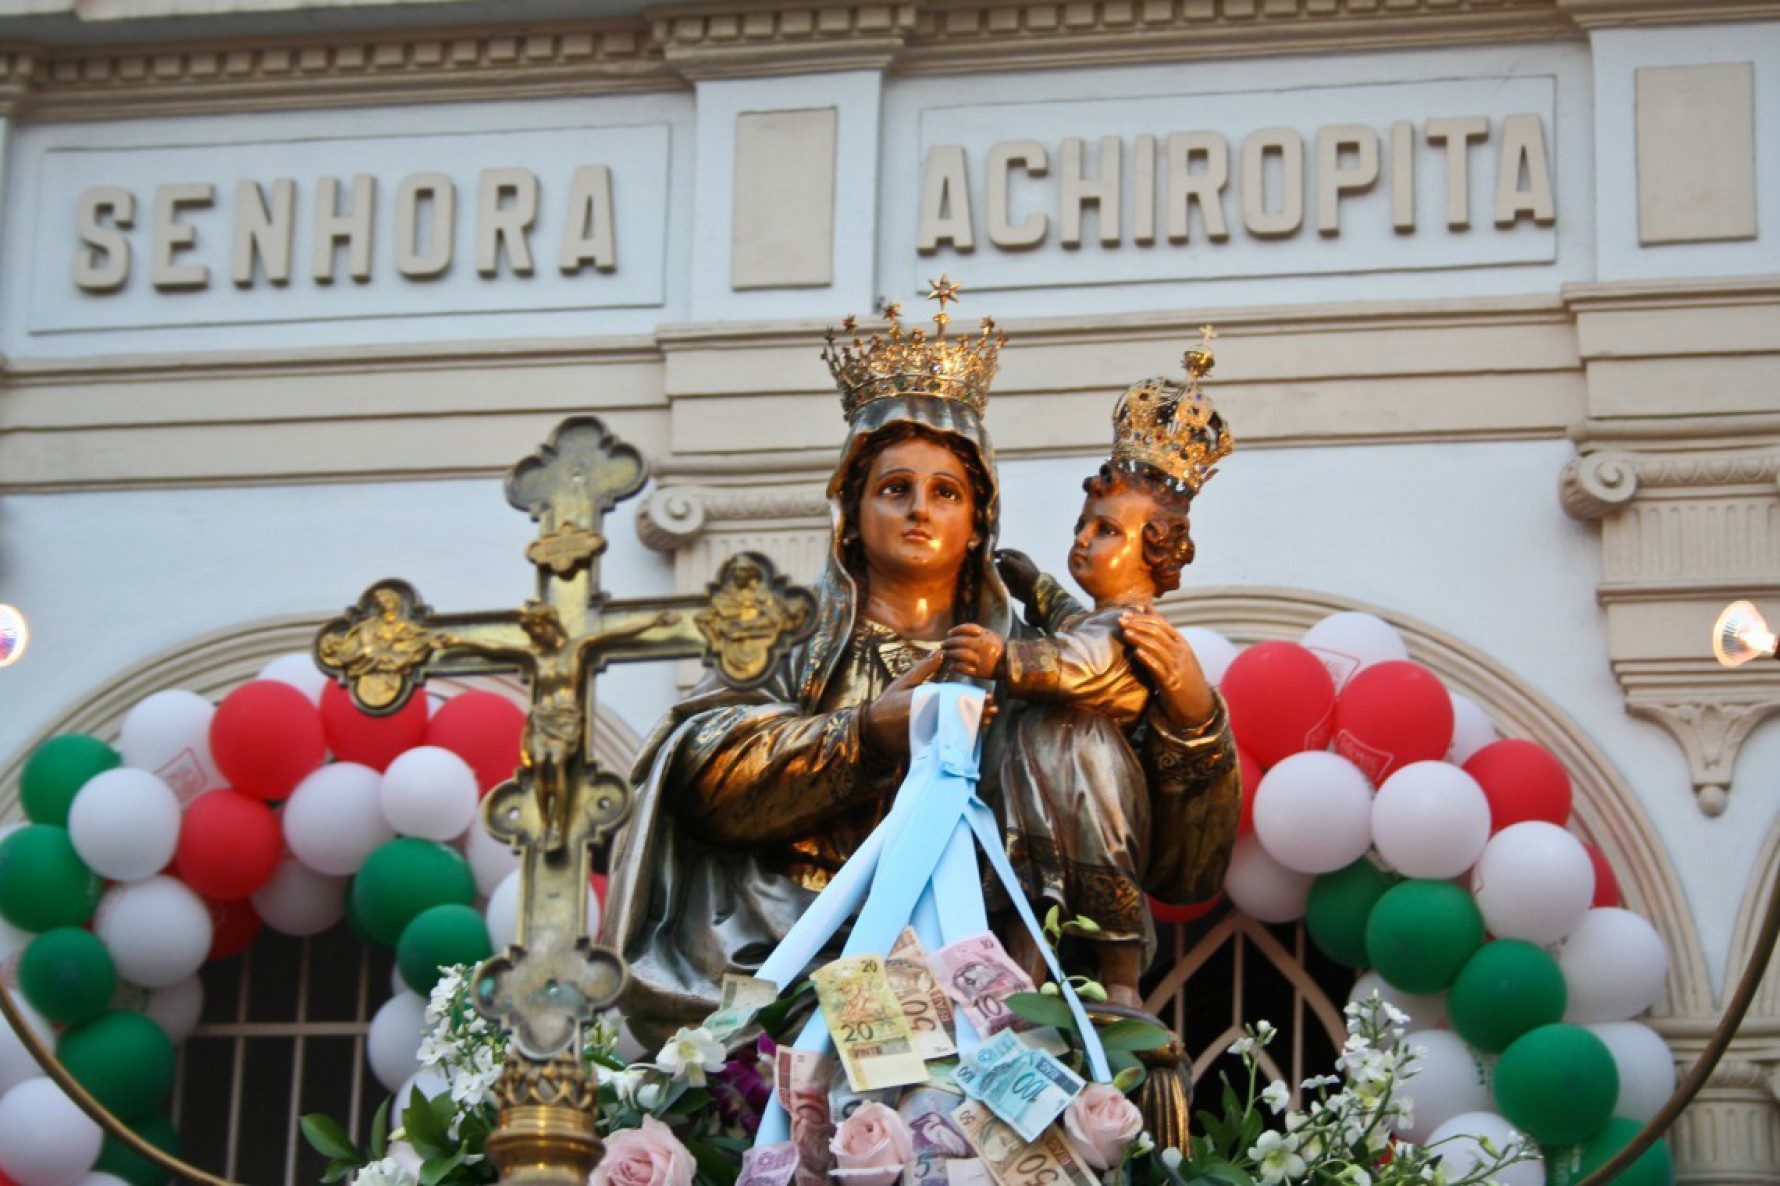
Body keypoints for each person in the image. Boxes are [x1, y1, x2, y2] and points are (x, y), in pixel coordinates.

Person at [603, 295, 1241, 1042]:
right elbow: (701, 775)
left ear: (978, 521)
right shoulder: (791, 634)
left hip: (978, 964)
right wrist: (868, 735)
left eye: (946, 492)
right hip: (793, 942)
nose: (919, 510)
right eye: (894, 488)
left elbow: (1179, 868)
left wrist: (1193, 720)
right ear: (852, 507)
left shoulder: (1033, 669)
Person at [939, 358, 1236, 1008]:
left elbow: (1079, 664)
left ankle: (1123, 993)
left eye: (1106, 531)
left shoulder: (1133, 628)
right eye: (1082, 525)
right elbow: (1073, 626)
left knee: (1101, 888)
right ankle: (1024, 978)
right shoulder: (1102, 618)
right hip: (1043, 778)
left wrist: (1004, 659)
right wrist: (1038, 587)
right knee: (1030, 880)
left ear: (1153, 549)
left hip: (1089, 784)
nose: (1083, 540)